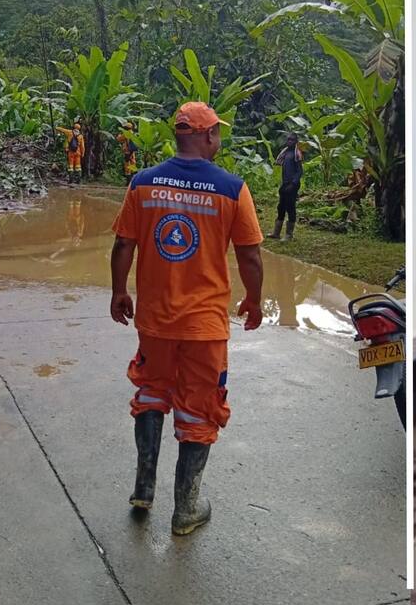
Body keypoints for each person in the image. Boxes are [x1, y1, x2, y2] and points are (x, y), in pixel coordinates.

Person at [109, 101, 265, 536]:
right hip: (204, 326)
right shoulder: (233, 189)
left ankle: (144, 487)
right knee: (200, 408)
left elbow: (124, 244)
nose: (219, 139)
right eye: (217, 132)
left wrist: (120, 290)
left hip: (155, 320)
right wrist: (254, 299)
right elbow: (249, 255)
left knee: (152, 393)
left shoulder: (143, 183)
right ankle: (186, 508)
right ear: (207, 135)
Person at [270, 133, 303, 241]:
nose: (289, 141)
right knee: (281, 207)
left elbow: (299, 171)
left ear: (296, 142)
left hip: (292, 185)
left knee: (290, 208)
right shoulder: (285, 153)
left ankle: (289, 235)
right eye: (288, 139)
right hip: (285, 184)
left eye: (292, 140)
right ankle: (276, 232)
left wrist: (293, 184)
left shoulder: (296, 154)